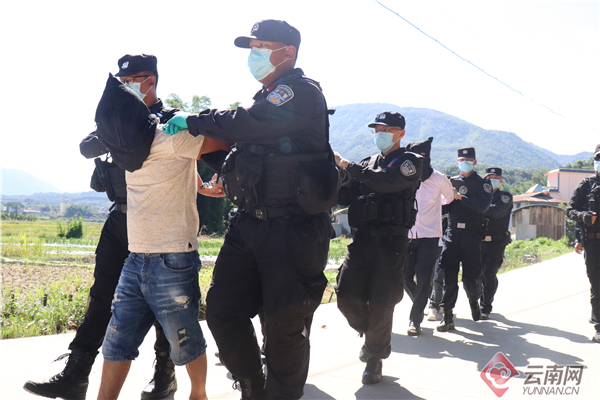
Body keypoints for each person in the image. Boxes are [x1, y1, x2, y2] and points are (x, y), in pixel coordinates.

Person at [163, 19, 338, 400]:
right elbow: (245, 154)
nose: (253, 55)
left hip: (292, 229)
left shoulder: (299, 93)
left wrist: (194, 121)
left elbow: (249, 123)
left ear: (288, 52)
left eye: (261, 47)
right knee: (222, 310)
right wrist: (224, 173)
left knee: (283, 325)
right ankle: (252, 383)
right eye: (252, 48)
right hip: (248, 226)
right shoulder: (267, 97)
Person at [23, 54, 179, 400]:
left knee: (163, 303)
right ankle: (76, 374)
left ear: (150, 81)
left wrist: (139, 130)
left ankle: (164, 375)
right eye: (121, 82)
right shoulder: (116, 117)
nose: (125, 87)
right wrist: (119, 132)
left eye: (131, 81)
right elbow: (86, 147)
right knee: (100, 298)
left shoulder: (171, 119)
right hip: (120, 220)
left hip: (157, 222)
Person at [93, 72, 208, 400]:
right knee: (116, 340)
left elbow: (218, 143)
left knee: (184, 340)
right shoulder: (127, 150)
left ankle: (199, 395)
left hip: (174, 257)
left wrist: (191, 123)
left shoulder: (170, 138)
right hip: (135, 257)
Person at [334, 111, 423, 383]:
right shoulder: (366, 163)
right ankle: (371, 333)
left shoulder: (410, 162)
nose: (379, 134)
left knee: (382, 303)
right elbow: (346, 196)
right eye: (376, 130)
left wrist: (348, 165)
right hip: (362, 241)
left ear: (400, 134)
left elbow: (387, 182)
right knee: (346, 295)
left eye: (386, 130)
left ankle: (374, 358)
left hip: (391, 243)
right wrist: (339, 174)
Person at [437, 147, 493, 332]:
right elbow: (443, 206)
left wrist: (460, 197)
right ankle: (447, 317)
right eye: (462, 160)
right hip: (452, 234)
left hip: (472, 234)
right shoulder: (450, 182)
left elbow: (482, 206)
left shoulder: (483, 184)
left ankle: (474, 301)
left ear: (475, 162)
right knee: (449, 276)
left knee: (471, 276)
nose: (465, 163)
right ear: (457, 162)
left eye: (468, 160)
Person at [404, 137, 454, 335]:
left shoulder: (439, 179)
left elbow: (449, 197)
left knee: (424, 279)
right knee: (404, 277)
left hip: (430, 237)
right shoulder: (404, 178)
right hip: (407, 235)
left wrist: (436, 204)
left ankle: (414, 321)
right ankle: (421, 300)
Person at [567, 144, 600, 343]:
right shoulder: (586, 185)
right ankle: (599, 326)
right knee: (597, 285)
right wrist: (583, 217)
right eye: (598, 158)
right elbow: (570, 210)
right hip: (593, 243)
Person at [479, 167, 513, 320]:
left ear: (500, 180)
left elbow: (496, 212)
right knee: (478, 274)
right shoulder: (480, 195)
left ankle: (485, 306)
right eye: (489, 177)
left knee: (489, 273)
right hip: (479, 241)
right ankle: (479, 301)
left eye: (495, 178)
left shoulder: (505, 197)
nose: (492, 180)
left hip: (497, 242)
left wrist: (477, 207)